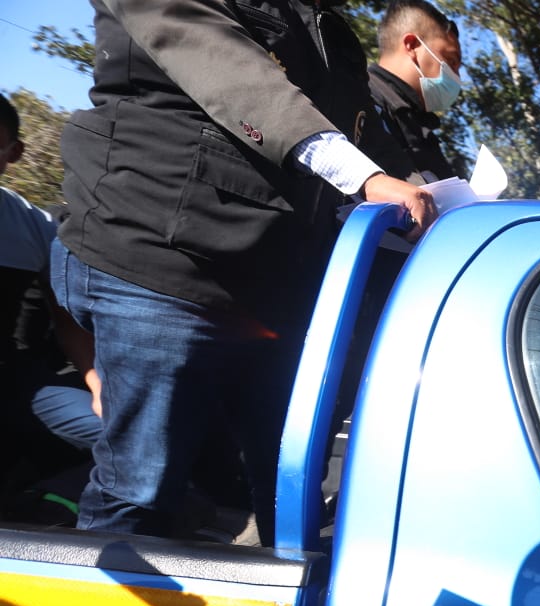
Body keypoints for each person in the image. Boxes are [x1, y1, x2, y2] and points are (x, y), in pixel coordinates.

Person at [53, 0, 438, 546]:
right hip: (164, 263)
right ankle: (105, 602)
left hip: (277, 292)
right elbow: (231, 72)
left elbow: (364, 137)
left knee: (291, 493)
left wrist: (441, 201)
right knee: (140, 490)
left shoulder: (326, 26)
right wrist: (363, 177)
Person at [1, 95, 103, 521]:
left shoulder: (33, 225)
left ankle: (42, 509)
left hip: (13, 379)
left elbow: (66, 321)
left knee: (125, 438)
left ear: (13, 153)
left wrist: (98, 386)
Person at [368, 0, 469, 184]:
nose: (457, 77)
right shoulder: (361, 98)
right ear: (412, 45)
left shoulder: (417, 123)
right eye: (451, 61)